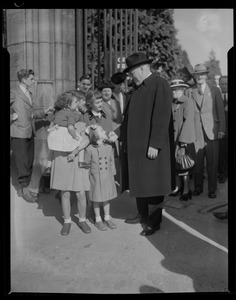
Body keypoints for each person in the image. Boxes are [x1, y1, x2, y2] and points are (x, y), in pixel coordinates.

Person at [120, 52, 174, 236]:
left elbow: (162, 116)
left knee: (153, 185)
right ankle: (142, 215)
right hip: (136, 147)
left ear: (142, 68)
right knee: (140, 183)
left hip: (151, 147)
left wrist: (155, 144)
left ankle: (154, 222)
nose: (130, 76)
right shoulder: (137, 88)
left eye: (132, 72)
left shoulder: (160, 83)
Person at [50, 90, 91, 236]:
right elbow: (54, 137)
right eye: (77, 101)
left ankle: (82, 219)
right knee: (65, 192)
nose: (80, 103)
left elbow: (87, 140)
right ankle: (67, 221)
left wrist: (74, 151)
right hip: (62, 158)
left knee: (80, 192)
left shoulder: (80, 118)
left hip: (78, 158)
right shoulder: (58, 117)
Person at [10, 69, 54, 203]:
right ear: (23, 79)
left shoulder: (29, 93)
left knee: (29, 161)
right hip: (19, 132)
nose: (33, 81)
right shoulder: (14, 92)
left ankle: (27, 188)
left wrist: (44, 111)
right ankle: (24, 190)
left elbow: (31, 114)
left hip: (30, 131)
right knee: (23, 162)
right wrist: (11, 116)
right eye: (31, 79)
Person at [190, 64, 226, 199]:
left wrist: (222, 129)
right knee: (198, 162)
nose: (200, 76)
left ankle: (212, 190)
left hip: (212, 131)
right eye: (197, 74)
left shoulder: (215, 90)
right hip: (197, 132)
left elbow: (221, 112)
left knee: (213, 162)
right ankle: (198, 188)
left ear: (206, 75)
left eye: (202, 74)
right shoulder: (190, 91)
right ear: (195, 76)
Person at [83, 124, 117, 231]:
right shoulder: (89, 149)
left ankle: (107, 217)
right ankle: (98, 219)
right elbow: (86, 164)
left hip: (107, 176)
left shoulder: (108, 146)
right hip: (95, 178)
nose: (104, 132)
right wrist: (86, 177)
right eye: (101, 131)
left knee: (106, 199)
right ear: (96, 136)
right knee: (96, 200)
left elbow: (111, 161)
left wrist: (113, 174)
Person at [169, 79, 196, 201]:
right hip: (173, 139)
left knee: (183, 164)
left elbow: (188, 121)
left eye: (175, 89)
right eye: (172, 89)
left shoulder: (187, 101)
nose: (173, 92)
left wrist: (183, 140)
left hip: (181, 139)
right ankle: (178, 187)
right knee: (176, 164)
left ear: (182, 90)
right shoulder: (173, 102)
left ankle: (186, 190)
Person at [217, 75, 228, 183]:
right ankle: (223, 174)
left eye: (226, 84)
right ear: (219, 85)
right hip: (222, 131)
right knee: (222, 153)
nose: (224, 86)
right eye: (222, 84)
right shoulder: (217, 97)